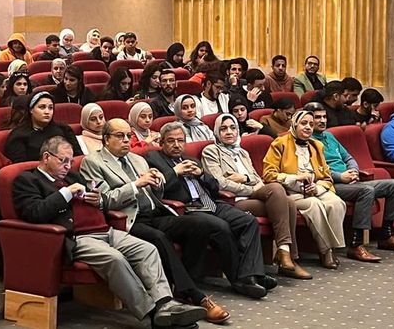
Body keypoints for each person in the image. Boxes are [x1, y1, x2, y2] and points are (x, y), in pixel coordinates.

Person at [13, 136, 208, 328]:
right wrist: (65, 193)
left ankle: (165, 302)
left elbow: (102, 201)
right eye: (63, 161)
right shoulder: (28, 180)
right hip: (78, 238)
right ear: (46, 157)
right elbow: (34, 213)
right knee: (115, 259)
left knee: (147, 249)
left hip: (106, 230)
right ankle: (152, 311)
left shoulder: (72, 176)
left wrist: (98, 200)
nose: (67, 166)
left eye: (70, 161)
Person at [80, 120, 231, 323]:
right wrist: (135, 185)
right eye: (120, 136)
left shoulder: (137, 159)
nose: (126, 140)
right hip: (128, 219)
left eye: (128, 136)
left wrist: (157, 182)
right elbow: (104, 201)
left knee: (201, 225)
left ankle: (185, 286)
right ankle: (196, 296)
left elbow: (155, 193)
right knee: (159, 238)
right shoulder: (93, 162)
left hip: (155, 211)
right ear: (106, 139)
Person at [143, 122, 286, 293]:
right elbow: (157, 189)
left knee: (248, 221)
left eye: (180, 141)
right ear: (162, 143)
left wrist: (201, 174)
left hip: (211, 203)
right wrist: (175, 172)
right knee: (220, 227)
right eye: (171, 141)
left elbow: (215, 187)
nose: (176, 145)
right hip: (187, 208)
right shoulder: (153, 159)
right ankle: (240, 280)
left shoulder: (191, 160)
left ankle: (253, 274)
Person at [201, 116, 311, 279]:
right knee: (277, 191)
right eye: (223, 129)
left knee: (288, 203)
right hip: (234, 201)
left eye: (233, 127)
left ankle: (285, 254)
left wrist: (244, 178)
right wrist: (251, 189)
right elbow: (220, 183)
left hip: (251, 194)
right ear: (217, 132)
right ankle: (288, 258)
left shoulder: (242, 152)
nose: (229, 132)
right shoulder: (211, 151)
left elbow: (256, 178)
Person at [306, 101, 394, 261]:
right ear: (308, 120)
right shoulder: (306, 140)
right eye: (317, 118)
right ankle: (356, 245)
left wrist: (354, 172)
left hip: (350, 180)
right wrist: (340, 176)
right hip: (330, 185)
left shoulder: (329, 136)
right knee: (366, 190)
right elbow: (314, 170)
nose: (322, 121)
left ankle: (387, 236)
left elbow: (348, 158)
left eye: (324, 117)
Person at [262, 110, 346, 269]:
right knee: (314, 204)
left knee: (336, 202)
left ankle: (333, 248)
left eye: (311, 124)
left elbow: (327, 177)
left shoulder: (316, 146)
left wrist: (317, 188)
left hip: (314, 190)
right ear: (294, 124)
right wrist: (295, 178)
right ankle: (325, 251)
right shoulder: (279, 143)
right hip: (290, 193)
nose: (308, 127)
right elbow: (268, 174)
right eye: (304, 123)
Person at [5, 91, 83, 162]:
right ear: (31, 110)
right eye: (42, 107)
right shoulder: (18, 135)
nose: (47, 112)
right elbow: (21, 166)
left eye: (50, 108)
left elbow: (78, 157)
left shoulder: (64, 129)